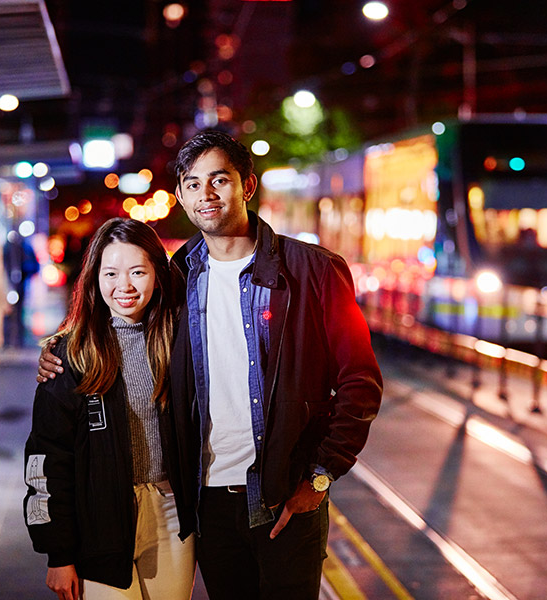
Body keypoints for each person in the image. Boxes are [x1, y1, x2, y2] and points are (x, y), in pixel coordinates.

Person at [39, 130, 383, 599]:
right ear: (180, 194)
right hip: (206, 502)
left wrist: (320, 477)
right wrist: (60, 350)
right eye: (193, 183)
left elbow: (360, 383)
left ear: (246, 185)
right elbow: (121, 318)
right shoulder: (177, 277)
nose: (206, 194)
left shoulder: (314, 271)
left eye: (219, 180)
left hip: (285, 494)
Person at [24, 218, 194, 600]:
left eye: (138, 272)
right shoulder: (70, 355)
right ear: (93, 278)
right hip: (97, 518)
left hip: (169, 514)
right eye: (111, 273)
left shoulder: (178, 342)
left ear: (158, 274)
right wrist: (58, 553)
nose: (125, 287)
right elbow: (48, 459)